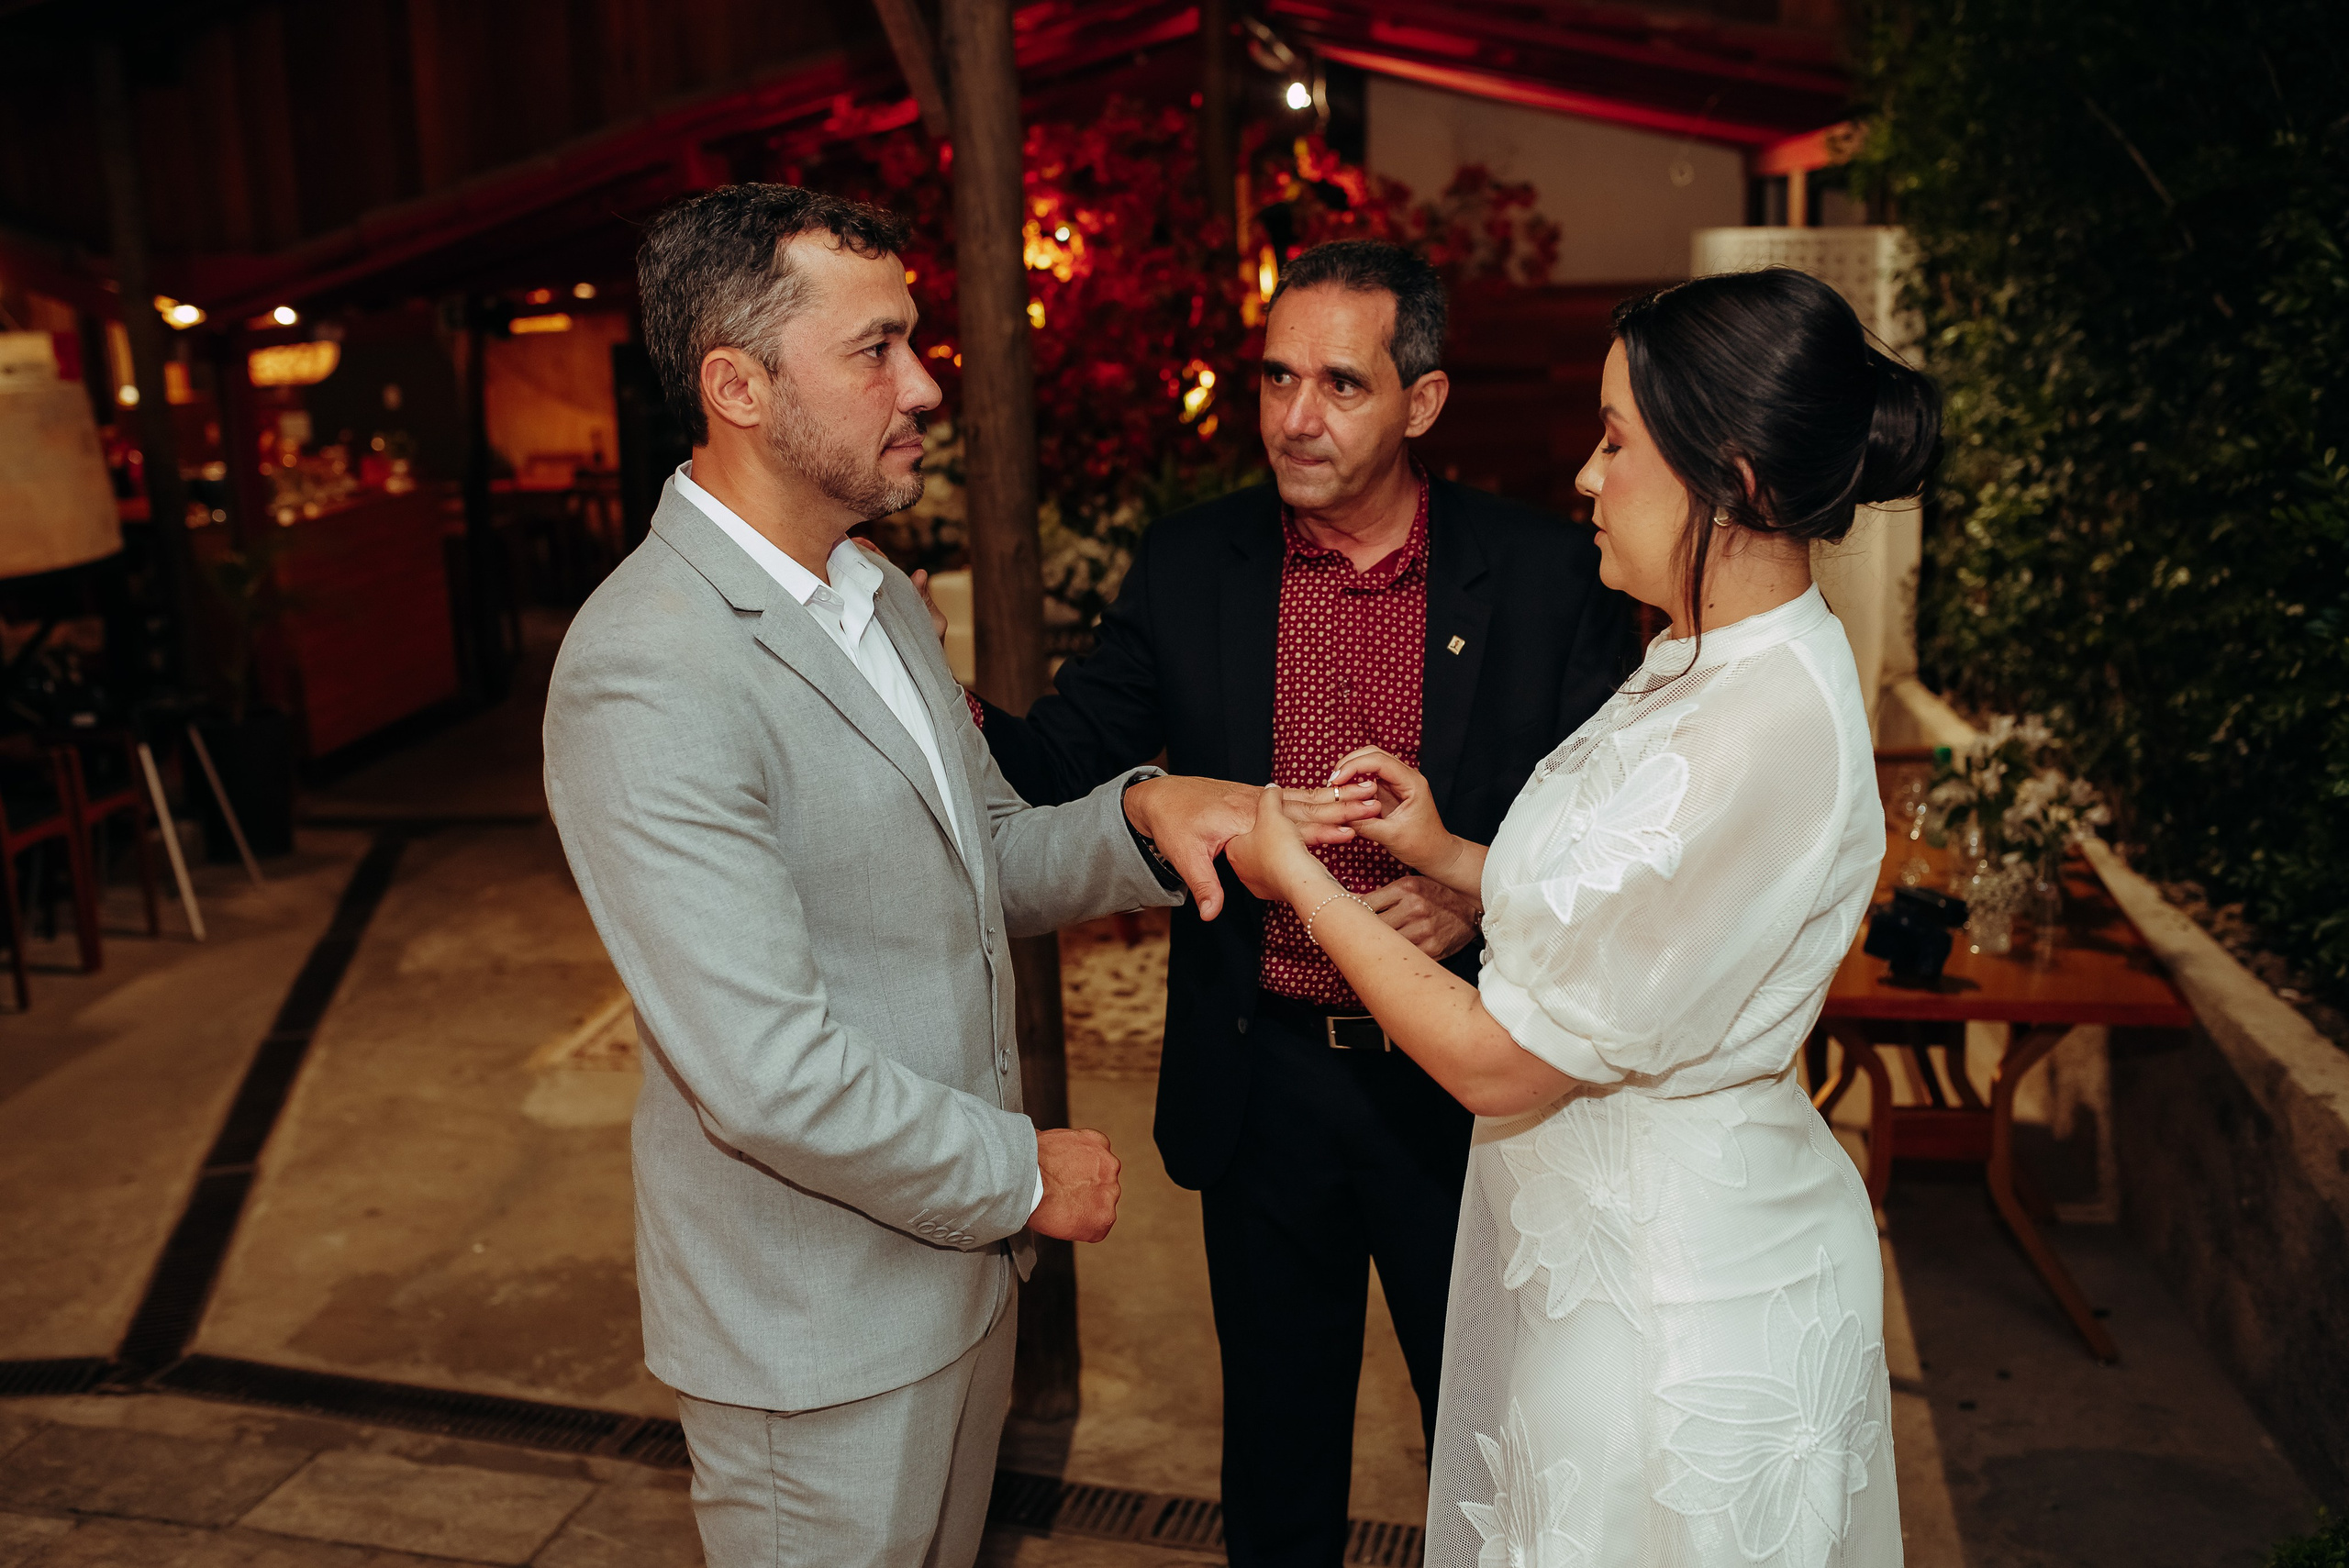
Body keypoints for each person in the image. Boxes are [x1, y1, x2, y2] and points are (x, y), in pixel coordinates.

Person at [541, 184, 1366, 1568]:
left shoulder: (872, 595)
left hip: (951, 1291)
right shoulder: (650, 667)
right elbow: (762, 1070)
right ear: (737, 386)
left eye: (912, 339)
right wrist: (1018, 1172)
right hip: (812, 1341)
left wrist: (1146, 816)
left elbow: (977, 851)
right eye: (875, 349)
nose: (924, 384)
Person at [1226, 265, 1940, 1566]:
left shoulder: (1759, 721)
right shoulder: (1699, 653)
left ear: (1737, 481)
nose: (1586, 477)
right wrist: (1445, 846)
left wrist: (1308, 883)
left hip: (1682, 1312)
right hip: (1609, 1267)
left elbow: (1504, 1060)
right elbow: (1649, 922)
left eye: (1617, 441)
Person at [963, 239, 1633, 1563]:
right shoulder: (1194, 562)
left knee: (1505, 1448)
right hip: (1262, 1078)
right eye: (1275, 379)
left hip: (1470, 1093)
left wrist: (1477, 903)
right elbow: (1051, 761)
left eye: (1339, 383)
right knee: (1277, 1468)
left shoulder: (1546, 575)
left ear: (1423, 404)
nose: (1294, 418)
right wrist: (903, 683)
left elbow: (1608, 821)